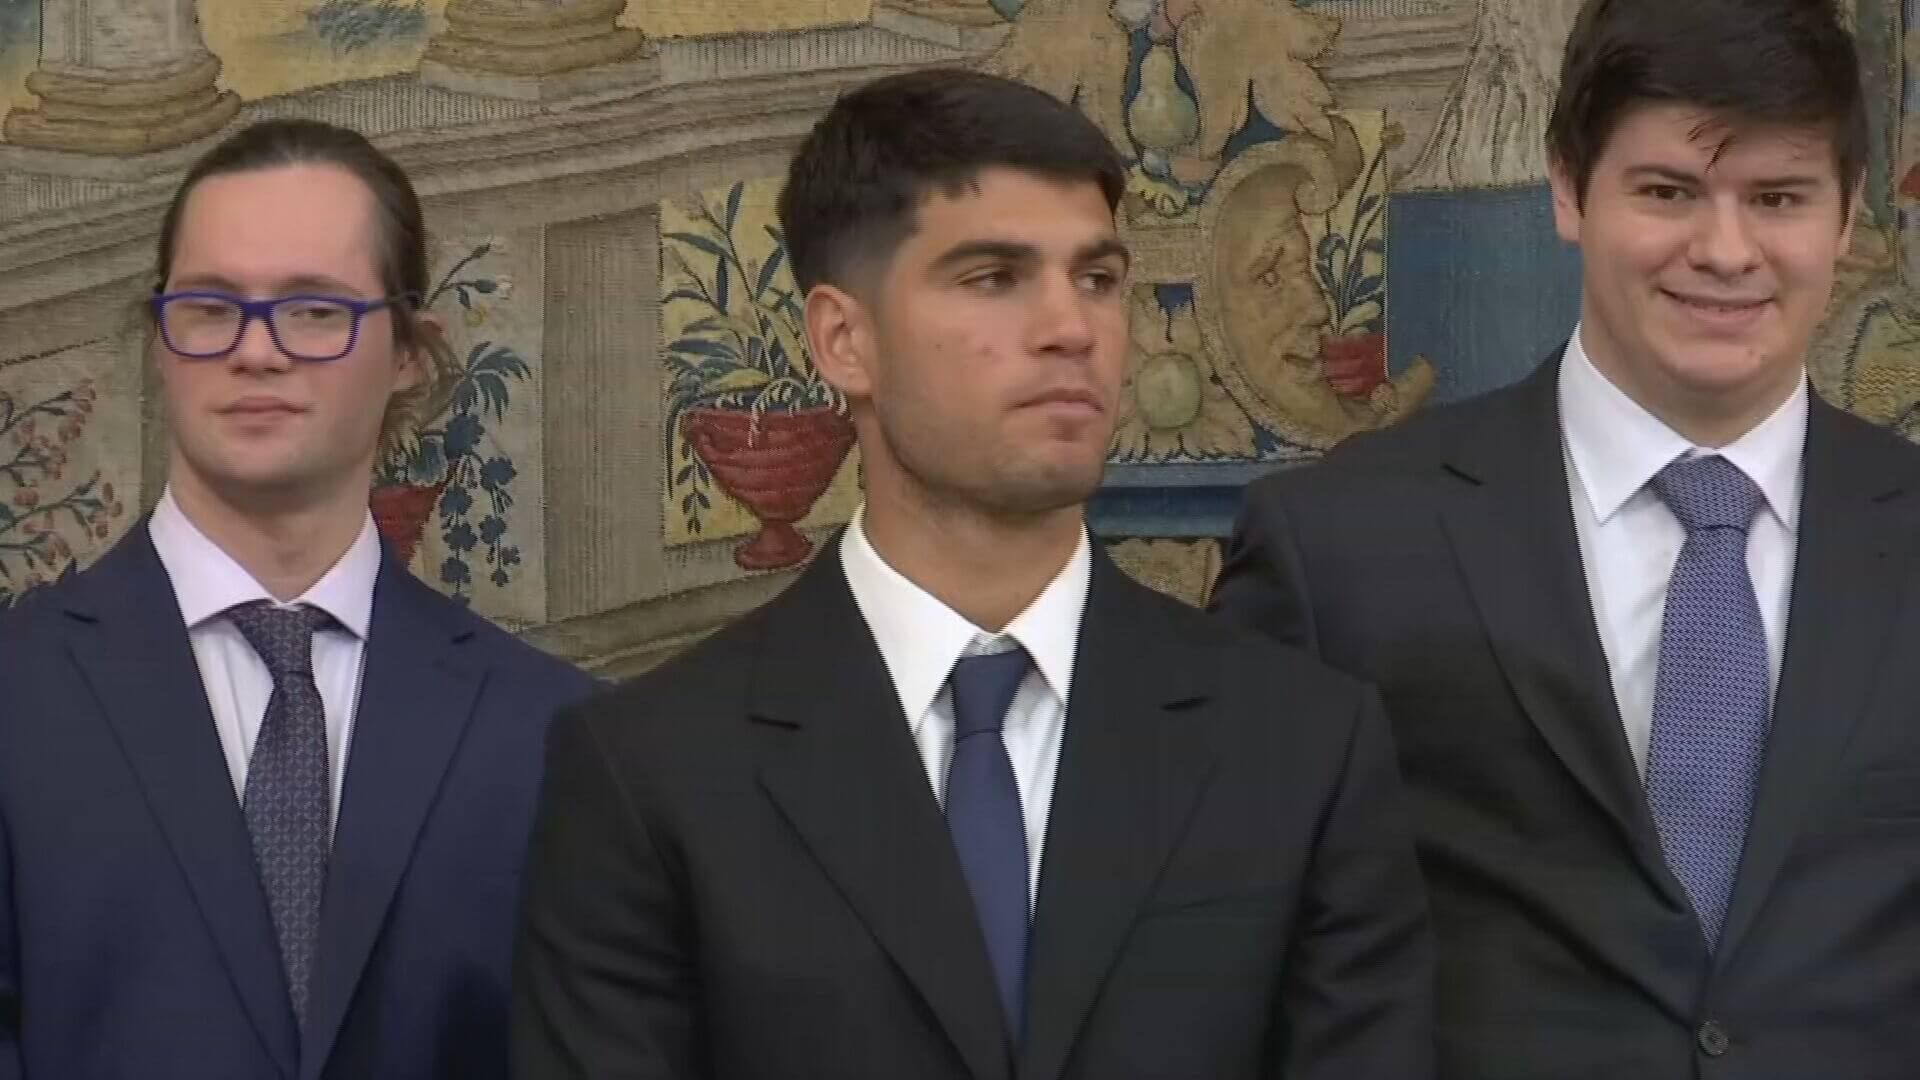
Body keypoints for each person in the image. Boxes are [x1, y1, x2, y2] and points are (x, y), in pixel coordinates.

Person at [512, 66, 1432, 1080]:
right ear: (843, 339)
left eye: (1097, 278)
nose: (1071, 328)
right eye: (994, 277)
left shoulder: (1301, 745)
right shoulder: (652, 775)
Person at [1212, 0, 1920, 1075]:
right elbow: (1237, 964)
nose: (1725, 250)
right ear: (1567, 189)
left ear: (1847, 212)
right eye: (1669, 191)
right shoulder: (1339, 546)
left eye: (1777, 197)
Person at [0, 118, 594, 1080]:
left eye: (315, 310)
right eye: (209, 306)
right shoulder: (16, 695)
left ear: (410, 350)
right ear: (161, 338)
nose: (256, 351)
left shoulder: (558, 734)